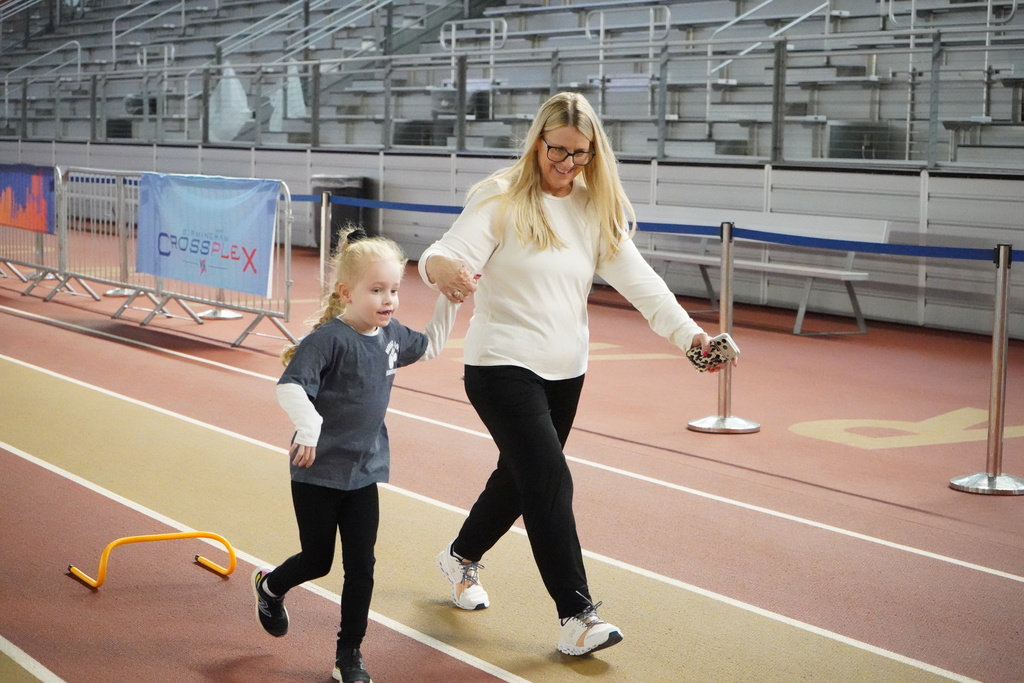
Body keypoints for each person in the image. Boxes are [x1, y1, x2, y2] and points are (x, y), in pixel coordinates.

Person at [419, 91, 724, 657]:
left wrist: (691, 337)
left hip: (565, 372)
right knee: (551, 481)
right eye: (556, 150)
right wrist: (444, 272)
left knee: (521, 477)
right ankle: (577, 616)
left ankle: (459, 557)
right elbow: (442, 252)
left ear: (593, 155)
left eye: (580, 154)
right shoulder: (500, 198)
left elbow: (643, 284)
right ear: (538, 141)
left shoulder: (591, 208)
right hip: (500, 364)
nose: (566, 163)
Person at [252, 227, 457, 683]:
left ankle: (349, 655)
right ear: (347, 292)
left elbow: (432, 346)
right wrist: (309, 428)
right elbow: (289, 386)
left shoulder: (390, 336)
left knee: (361, 567)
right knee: (318, 560)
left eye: (395, 290)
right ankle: (270, 586)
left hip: (364, 473)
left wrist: (451, 297)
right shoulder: (329, 339)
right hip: (317, 473)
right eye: (377, 290)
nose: (389, 300)